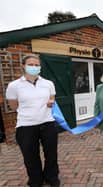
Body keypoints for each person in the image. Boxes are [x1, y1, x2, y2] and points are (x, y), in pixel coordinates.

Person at [5, 54, 60, 187]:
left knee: (51, 154)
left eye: (36, 65)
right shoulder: (14, 86)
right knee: (31, 157)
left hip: (48, 123)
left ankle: (51, 177)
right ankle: (36, 181)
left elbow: (52, 98)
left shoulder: (48, 83)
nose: (34, 67)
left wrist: (51, 101)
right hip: (26, 126)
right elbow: (14, 106)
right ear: (23, 66)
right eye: (30, 64)